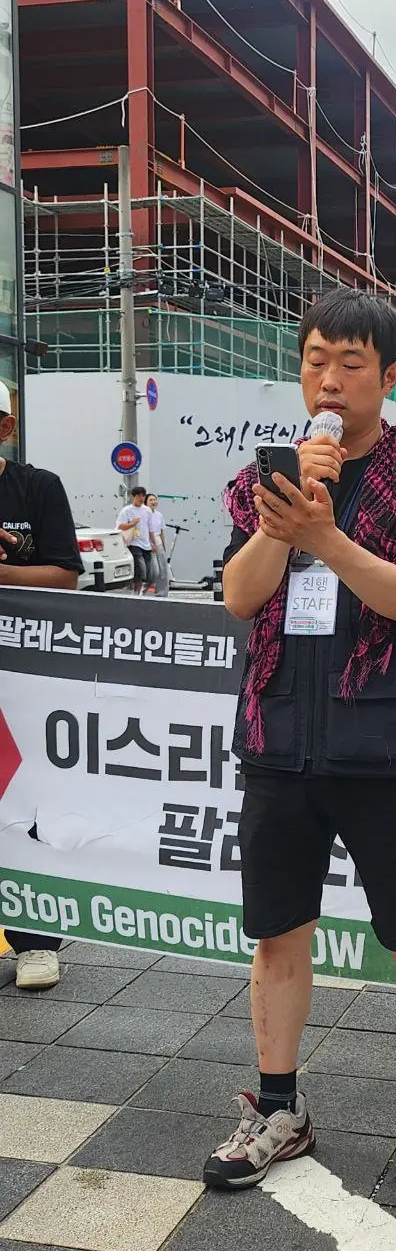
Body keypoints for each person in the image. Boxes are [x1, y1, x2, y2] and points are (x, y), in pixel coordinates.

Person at [205, 288, 396, 1219]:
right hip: (279, 739)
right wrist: (280, 526)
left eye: (350, 364)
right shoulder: (269, 474)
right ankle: (278, 1109)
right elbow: (240, 597)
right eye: (315, 360)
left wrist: (326, 537)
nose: (328, 379)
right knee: (277, 934)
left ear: (387, 377)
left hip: (385, 743)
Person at [0, 380, 83, 988]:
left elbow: (64, 574)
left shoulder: (38, 487)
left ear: (6, 427)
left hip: (23, 672)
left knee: (26, 797)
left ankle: (34, 939)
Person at [116, 485, 155, 594]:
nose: (141, 498)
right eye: (138, 496)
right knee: (140, 570)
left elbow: (151, 528)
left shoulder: (147, 510)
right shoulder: (126, 510)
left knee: (150, 573)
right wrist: (132, 523)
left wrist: (154, 543)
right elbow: (120, 526)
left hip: (146, 544)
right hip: (134, 543)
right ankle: (136, 593)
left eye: (143, 496)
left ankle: (139, 591)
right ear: (133, 497)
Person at [146, 493, 170, 597]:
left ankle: (163, 593)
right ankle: (145, 589)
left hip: (159, 543)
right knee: (154, 570)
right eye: (150, 500)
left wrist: (164, 546)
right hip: (149, 545)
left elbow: (161, 532)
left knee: (163, 569)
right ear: (146, 503)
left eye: (154, 500)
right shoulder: (144, 515)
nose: (153, 502)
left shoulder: (159, 515)